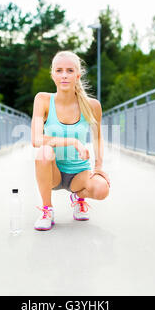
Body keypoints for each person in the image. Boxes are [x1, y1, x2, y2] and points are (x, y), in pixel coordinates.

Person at [31, 51, 110, 231]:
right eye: (59, 70)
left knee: (102, 189)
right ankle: (46, 210)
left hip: (78, 174)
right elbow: (36, 139)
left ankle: (78, 199)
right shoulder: (42, 100)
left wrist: (98, 167)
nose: (64, 75)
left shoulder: (92, 105)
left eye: (69, 70)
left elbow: (98, 138)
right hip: (54, 173)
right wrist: (72, 142)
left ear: (77, 75)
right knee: (43, 151)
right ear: (52, 75)